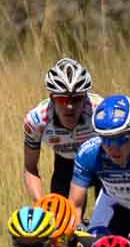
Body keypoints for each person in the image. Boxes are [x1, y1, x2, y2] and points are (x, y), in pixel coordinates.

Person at [69, 94, 130, 238]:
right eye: (106, 139)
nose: (113, 148)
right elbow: (75, 206)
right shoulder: (88, 153)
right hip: (112, 202)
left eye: (120, 139)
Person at [23, 58, 100, 200]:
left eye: (76, 99)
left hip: (101, 165)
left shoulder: (100, 112)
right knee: (60, 220)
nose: (70, 106)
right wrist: (40, 203)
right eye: (63, 100)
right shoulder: (36, 120)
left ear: (85, 97)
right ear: (52, 98)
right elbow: (30, 168)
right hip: (65, 166)